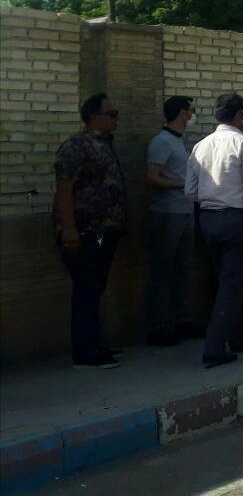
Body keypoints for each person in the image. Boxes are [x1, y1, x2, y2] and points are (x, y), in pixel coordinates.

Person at [188, 92, 243, 369]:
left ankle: (238, 336)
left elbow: (190, 190)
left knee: (226, 279)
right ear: (240, 115)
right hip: (236, 220)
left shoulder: (200, 146)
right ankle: (214, 349)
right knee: (233, 285)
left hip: (208, 219)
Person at [54, 93, 127, 370]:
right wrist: (69, 229)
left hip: (104, 231)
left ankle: (95, 344)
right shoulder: (77, 146)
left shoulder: (104, 144)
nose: (116, 119)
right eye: (112, 114)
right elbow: (64, 190)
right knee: (86, 287)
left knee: (95, 286)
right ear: (94, 117)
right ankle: (85, 353)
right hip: (87, 232)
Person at [145, 96, 201, 347]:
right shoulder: (161, 142)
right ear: (182, 113)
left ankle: (182, 321)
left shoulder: (178, 141)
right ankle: (159, 327)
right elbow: (152, 178)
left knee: (183, 269)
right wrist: (184, 185)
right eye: (190, 111)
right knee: (163, 271)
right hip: (168, 213)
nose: (192, 115)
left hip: (185, 211)